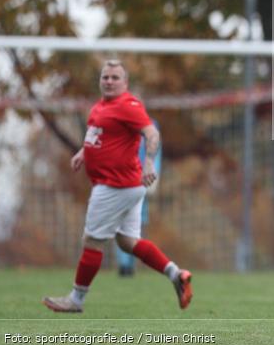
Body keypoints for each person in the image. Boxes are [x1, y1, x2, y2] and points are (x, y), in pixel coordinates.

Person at [43, 60, 192, 313]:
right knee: (128, 241)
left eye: (115, 77)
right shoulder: (99, 107)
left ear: (125, 83)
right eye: (105, 77)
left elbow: (152, 134)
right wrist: (83, 152)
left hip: (115, 185)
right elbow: (100, 137)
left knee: (92, 240)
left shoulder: (128, 105)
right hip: (125, 186)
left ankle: (76, 299)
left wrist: (149, 163)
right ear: (100, 80)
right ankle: (176, 274)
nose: (109, 81)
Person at [115, 121, 162, 277]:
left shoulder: (151, 124)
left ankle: (130, 262)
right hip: (124, 177)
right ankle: (124, 264)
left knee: (137, 221)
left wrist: (154, 171)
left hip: (143, 178)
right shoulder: (120, 122)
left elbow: (157, 150)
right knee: (122, 220)